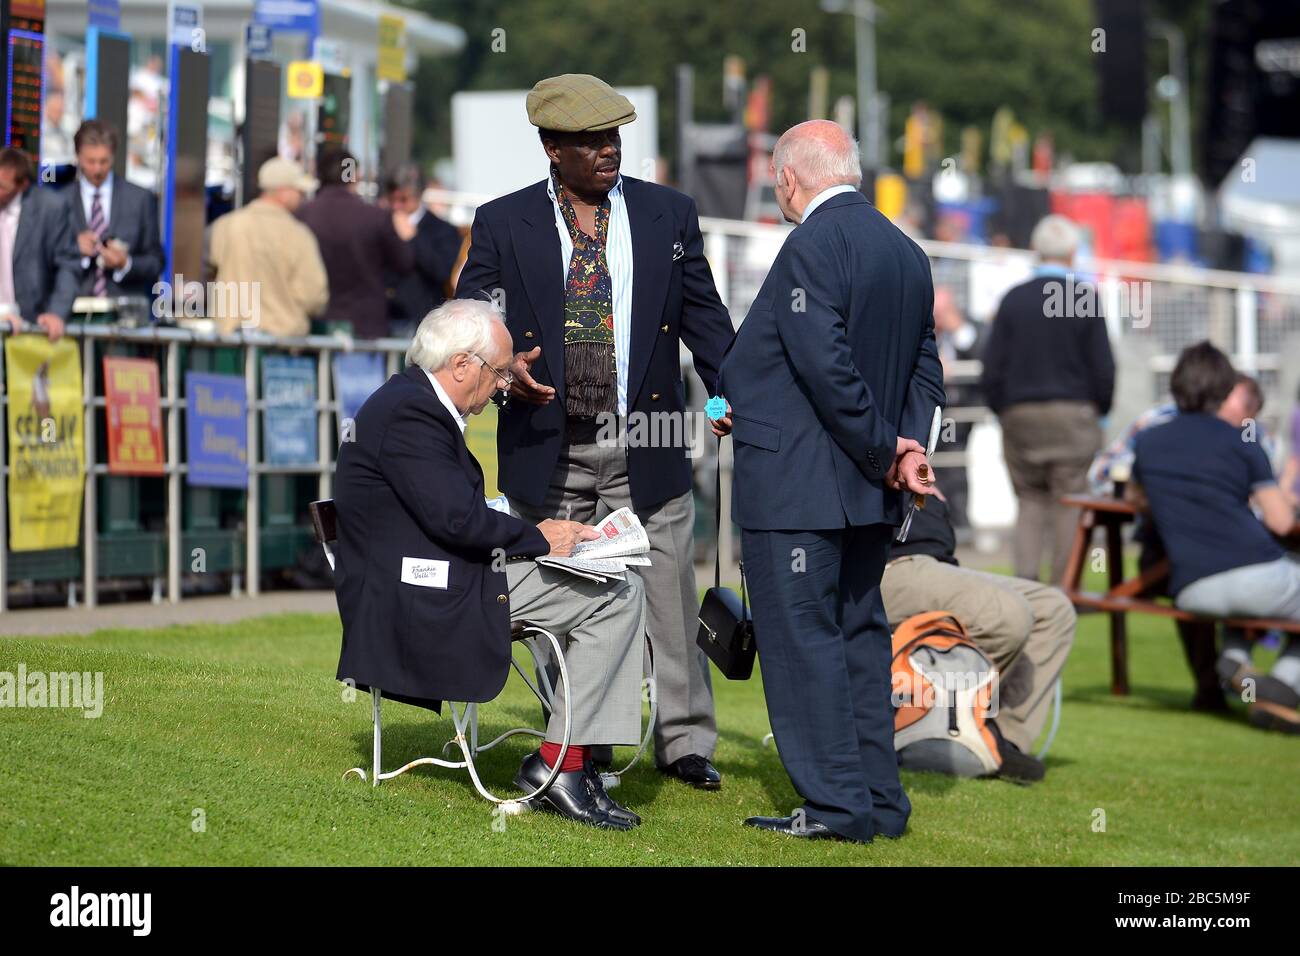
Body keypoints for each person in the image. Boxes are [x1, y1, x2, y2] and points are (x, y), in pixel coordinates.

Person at [455, 74, 735, 790]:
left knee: (670, 597)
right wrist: (505, 363)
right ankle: (578, 745)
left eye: (613, 136)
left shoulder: (668, 213)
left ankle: (685, 743)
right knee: (565, 598)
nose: (607, 150)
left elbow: (705, 318)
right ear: (552, 149)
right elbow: (472, 317)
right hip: (548, 446)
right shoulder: (501, 221)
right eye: (588, 140)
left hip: (648, 439)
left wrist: (731, 391)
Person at [332, 299, 648, 828]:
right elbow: (456, 521)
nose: (504, 386)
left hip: (429, 578)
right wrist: (541, 537)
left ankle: (570, 760)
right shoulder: (412, 412)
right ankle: (563, 766)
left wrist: (529, 536)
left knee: (618, 588)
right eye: (499, 372)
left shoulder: (409, 401)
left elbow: (449, 515)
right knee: (618, 593)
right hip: (421, 597)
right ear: (461, 365)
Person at [719, 120, 946, 843]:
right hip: (863, 491)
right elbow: (924, 370)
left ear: (789, 178)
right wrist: (907, 450)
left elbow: (825, 365)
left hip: (801, 487)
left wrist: (888, 449)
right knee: (854, 638)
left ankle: (836, 808)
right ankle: (878, 801)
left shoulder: (812, 245)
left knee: (802, 646)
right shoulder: (906, 251)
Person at [1130, 341, 1300, 734]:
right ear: (1226, 390)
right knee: (1272, 586)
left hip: (1192, 588)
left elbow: (1136, 497)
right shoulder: (1242, 440)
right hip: (1256, 577)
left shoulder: (1149, 440)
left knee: (1245, 595)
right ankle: (1285, 686)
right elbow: (1278, 521)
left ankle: (1240, 665)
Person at [1089, 372, 1275, 711]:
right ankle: (1222, 684)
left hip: (1227, 548)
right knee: (1197, 571)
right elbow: (1102, 474)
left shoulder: (1249, 434)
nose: (1243, 416)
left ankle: (1246, 678)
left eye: (1251, 411)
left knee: (1233, 575)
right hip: (1172, 548)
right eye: (1240, 404)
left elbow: (1267, 497)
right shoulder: (1155, 425)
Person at [880, 489, 1075, 779]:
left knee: (1053, 608)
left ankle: (1001, 740)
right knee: (1005, 613)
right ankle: (939, 726)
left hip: (933, 557)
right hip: (886, 563)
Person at [980, 214, 1115, 583]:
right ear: (1073, 253)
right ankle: (1064, 589)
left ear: (1037, 252)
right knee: (1069, 502)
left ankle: (1025, 586)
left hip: (1020, 414)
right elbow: (1103, 368)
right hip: (1073, 415)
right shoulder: (1083, 297)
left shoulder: (1012, 300)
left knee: (1029, 501)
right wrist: (1099, 413)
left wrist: (1004, 410)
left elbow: (991, 367)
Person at [297, 149, 414, 339]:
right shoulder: (375, 216)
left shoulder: (303, 215)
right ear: (354, 177)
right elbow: (404, 263)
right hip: (365, 325)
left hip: (315, 323)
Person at [207, 158, 328, 337]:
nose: (302, 197)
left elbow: (205, 272)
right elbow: (314, 296)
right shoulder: (298, 235)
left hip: (230, 338)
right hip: (281, 343)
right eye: (299, 191)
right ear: (283, 192)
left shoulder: (226, 225)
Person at [63, 119, 163, 300]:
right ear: (78, 156)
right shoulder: (60, 201)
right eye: (90, 161)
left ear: (114, 156)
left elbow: (156, 262)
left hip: (125, 311)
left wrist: (126, 263)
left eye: (104, 161)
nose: (97, 169)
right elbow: (41, 261)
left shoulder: (140, 199)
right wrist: (72, 248)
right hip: (71, 308)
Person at [0, 148, 79, 341]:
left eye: (2, 186)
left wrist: (56, 313)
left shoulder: (50, 208)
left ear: (23, 184)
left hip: (32, 326)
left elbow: (68, 265)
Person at [382, 163, 464, 340]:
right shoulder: (380, 223)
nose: (396, 206)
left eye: (403, 199)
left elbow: (441, 271)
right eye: (392, 199)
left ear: (418, 196)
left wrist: (414, 238)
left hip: (420, 322)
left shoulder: (443, 230)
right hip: (383, 318)